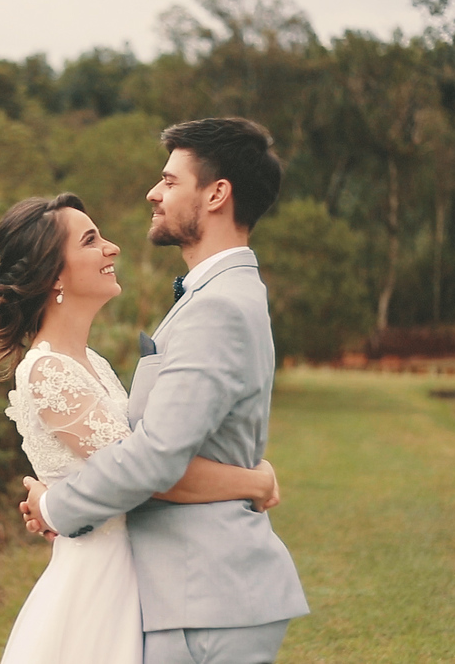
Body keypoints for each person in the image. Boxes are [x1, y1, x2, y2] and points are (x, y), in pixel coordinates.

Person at [21, 118, 309, 663]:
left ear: (217, 194)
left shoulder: (216, 306)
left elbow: (156, 456)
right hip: (188, 595)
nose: (154, 193)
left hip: (205, 596)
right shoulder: (218, 295)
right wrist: (252, 478)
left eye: (171, 181)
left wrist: (56, 507)